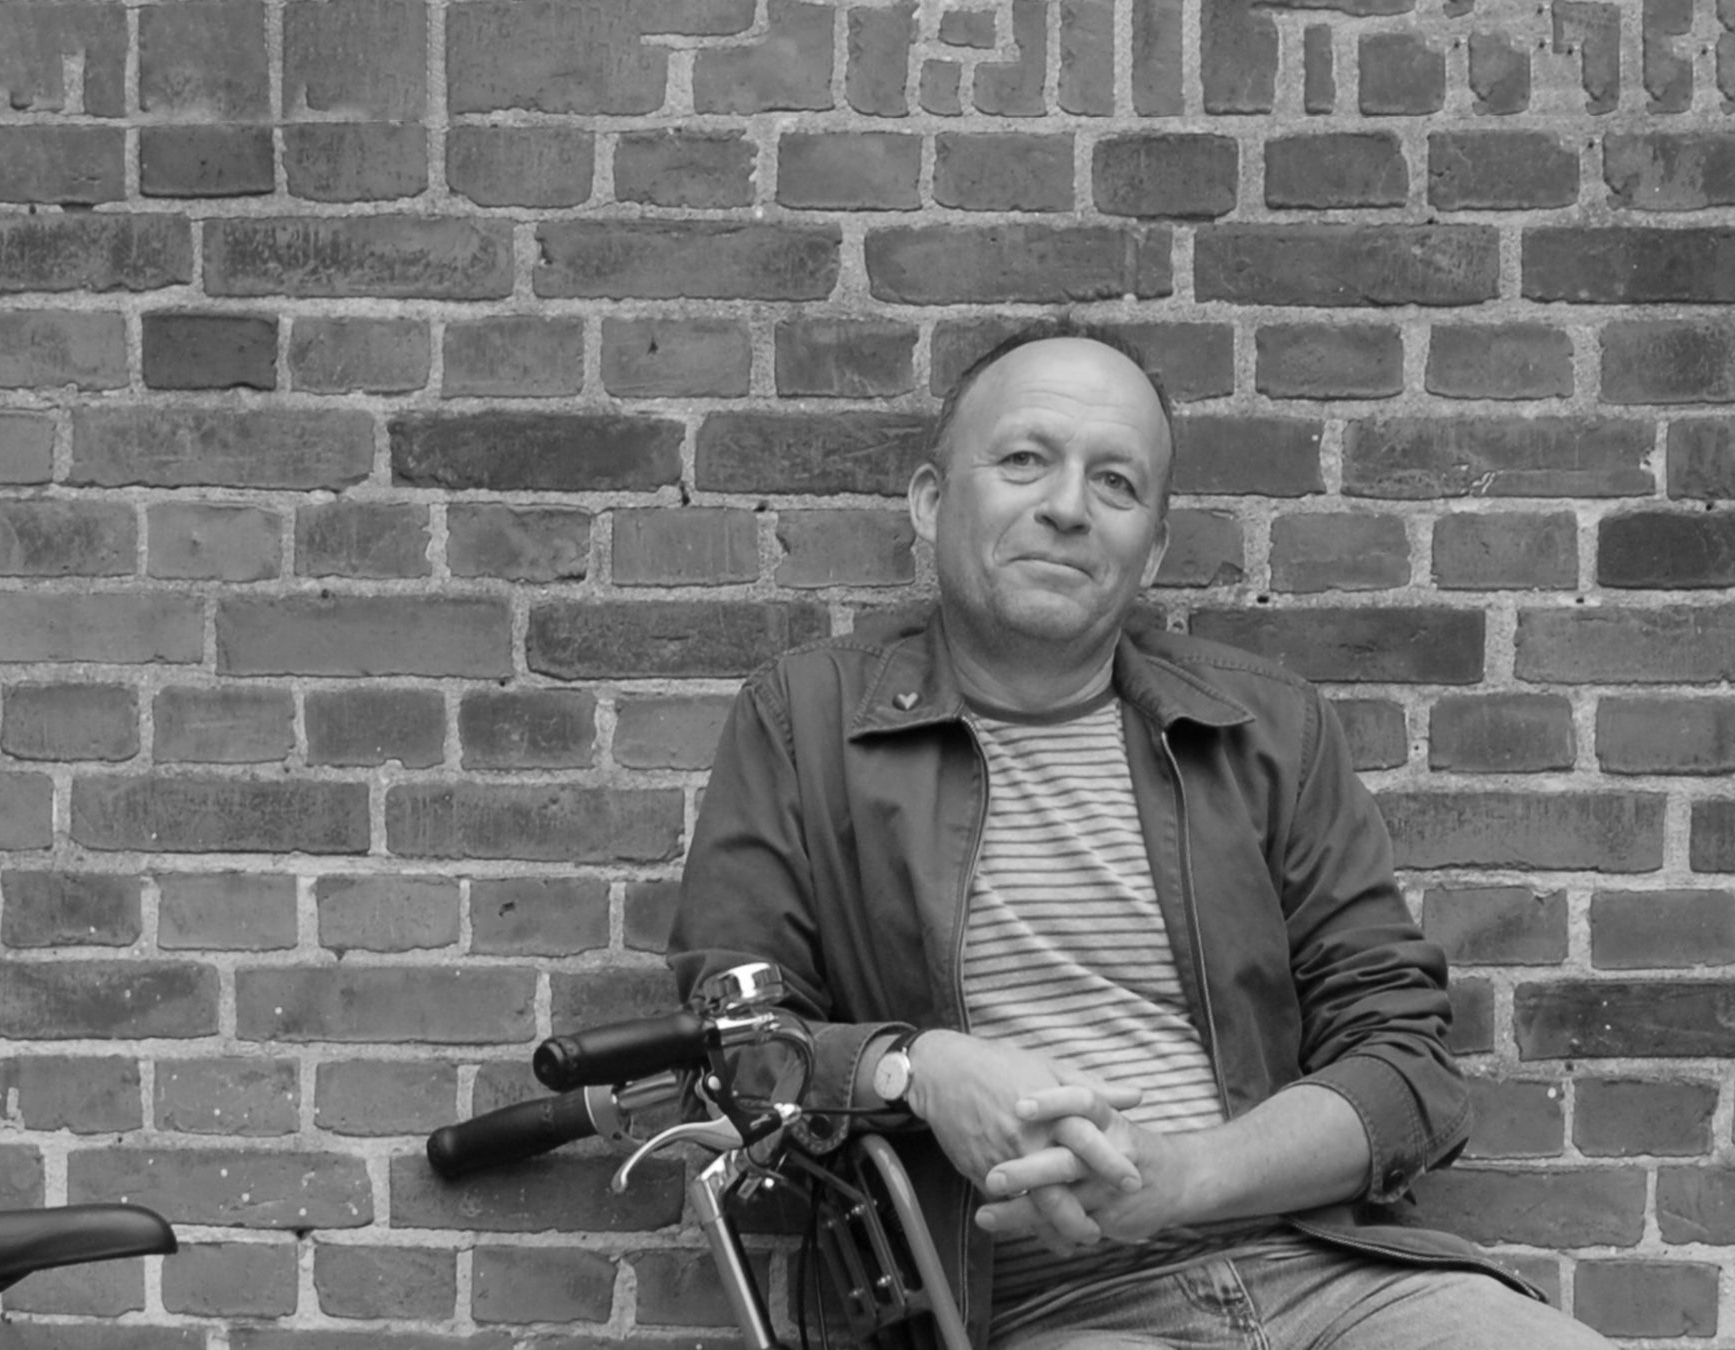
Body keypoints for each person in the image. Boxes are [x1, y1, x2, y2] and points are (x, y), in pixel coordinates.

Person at [666, 321, 1610, 1349]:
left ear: (1151, 548)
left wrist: (1186, 1177)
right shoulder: (804, 722)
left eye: (1115, 483)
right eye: (1024, 461)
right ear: (931, 501)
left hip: (1332, 1277)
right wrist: (918, 1069)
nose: (1068, 507)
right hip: (1042, 1312)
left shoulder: (1266, 730)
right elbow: (731, 1051)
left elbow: (1407, 1068)